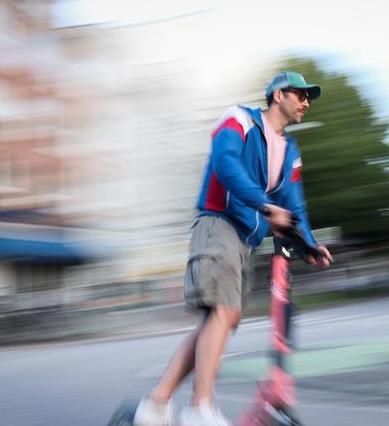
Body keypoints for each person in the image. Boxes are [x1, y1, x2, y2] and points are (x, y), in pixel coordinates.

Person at [134, 71, 333, 426]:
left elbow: (294, 204)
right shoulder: (239, 120)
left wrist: (309, 244)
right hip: (218, 224)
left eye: (308, 98)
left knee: (221, 320)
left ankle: (156, 405)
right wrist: (264, 205)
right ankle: (199, 409)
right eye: (301, 95)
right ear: (277, 95)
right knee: (223, 314)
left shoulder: (290, 151)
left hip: (246, 240)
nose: (306, 102)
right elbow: (225, 166)